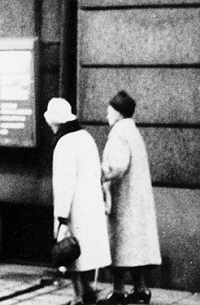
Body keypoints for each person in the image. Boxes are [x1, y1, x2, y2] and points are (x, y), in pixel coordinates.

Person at [43, 97, 110, 305]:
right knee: (83, 254)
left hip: (74, 209)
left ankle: (79, 296)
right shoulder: (85, 137)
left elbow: (64, 184)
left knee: (70, 253)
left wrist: (61, 217)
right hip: (90, 205)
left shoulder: (64, 143)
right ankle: (87, 291)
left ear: (55, 121)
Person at [100, 91, 161, 305]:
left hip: (123, 200)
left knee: (119, 247)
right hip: (136, 201)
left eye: (109, 111)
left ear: (118, 113)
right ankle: (141, 289)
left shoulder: (119, 134)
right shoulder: (133, 132)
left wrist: (101, 172)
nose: (107, 115)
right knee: (135, 249)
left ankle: (118, 292)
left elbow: (116, 166)